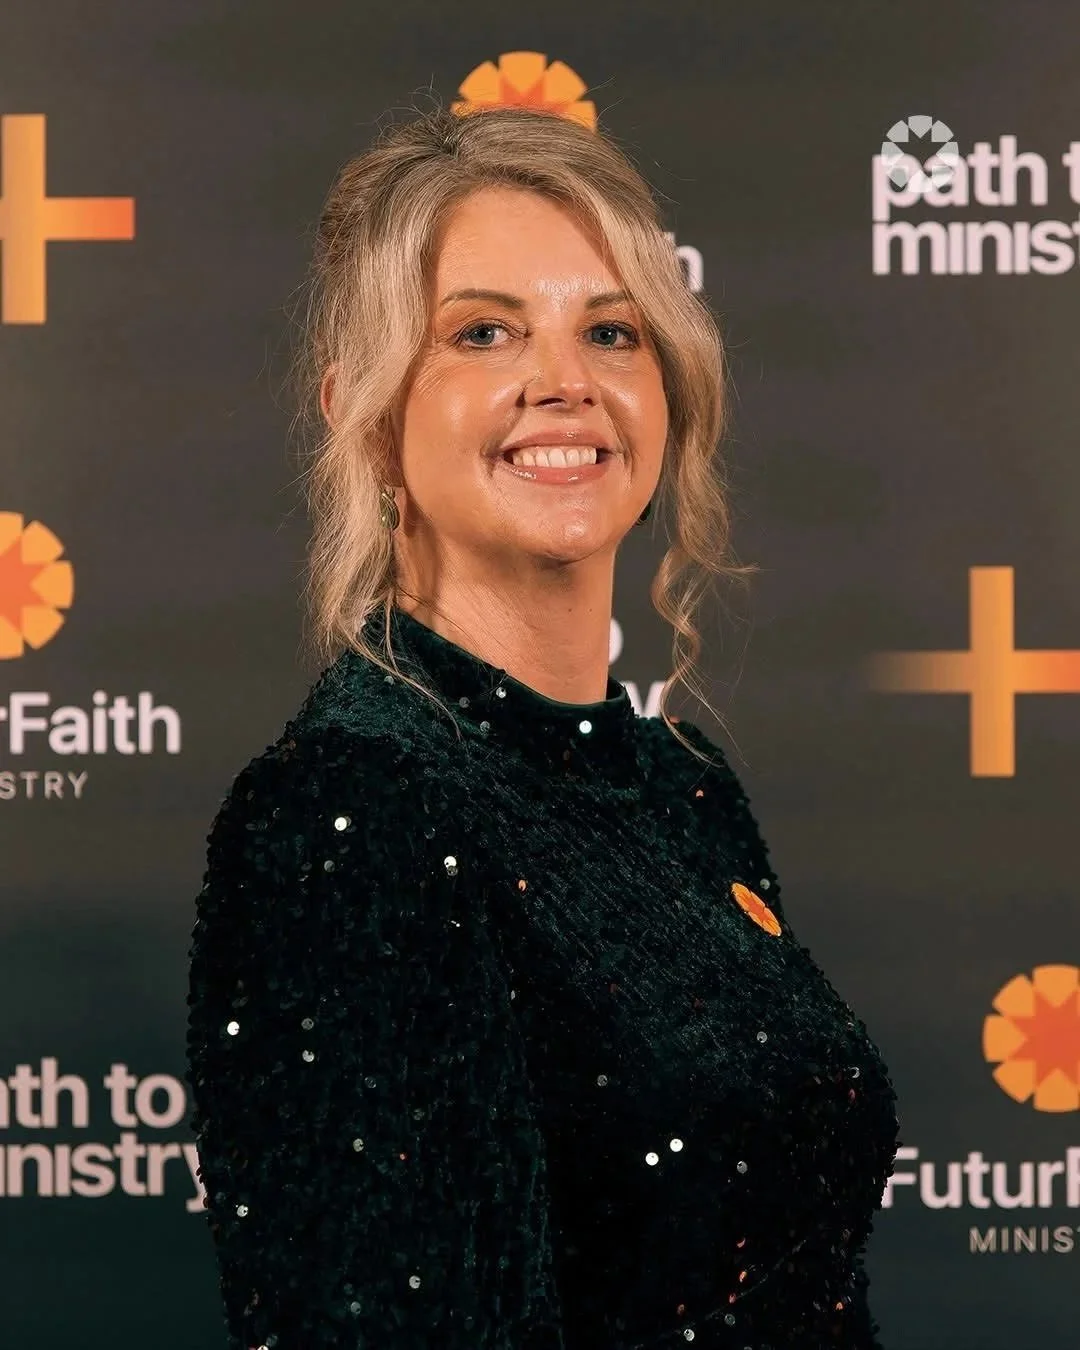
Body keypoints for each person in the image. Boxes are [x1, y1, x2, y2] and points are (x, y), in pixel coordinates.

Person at [185, 104, 900, 1350]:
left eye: (611, 331)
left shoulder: (682, 787)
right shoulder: (347, 815)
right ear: (365, 410)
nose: (565, 379)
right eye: (482, 331)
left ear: (667, 393)